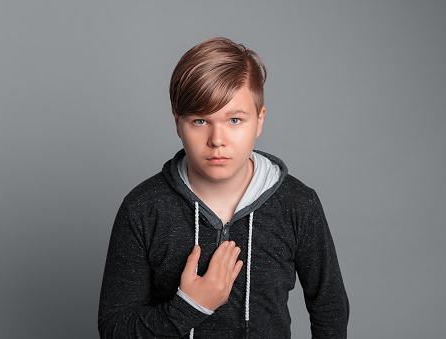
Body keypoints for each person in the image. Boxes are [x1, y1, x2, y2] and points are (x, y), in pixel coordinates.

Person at [98, 37, 349, 339]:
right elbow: (114, 328)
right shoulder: (142, 208)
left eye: (234, 119)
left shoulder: (298, 204)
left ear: (259, 120)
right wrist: (189, 306)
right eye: (201, 120)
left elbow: (330, 309)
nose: (218, 139)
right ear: (178, 123)